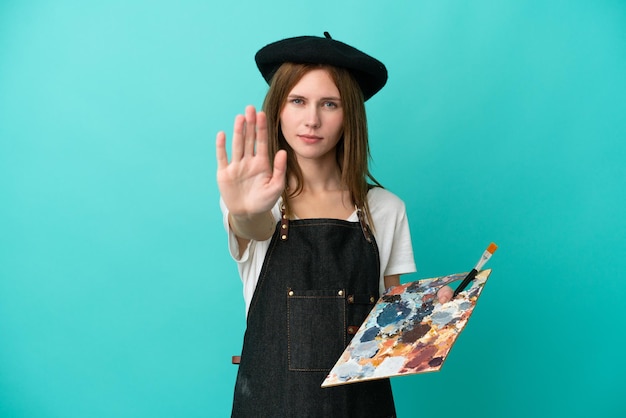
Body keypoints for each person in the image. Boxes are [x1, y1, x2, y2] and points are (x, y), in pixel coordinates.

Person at [216, 32, 453, 418]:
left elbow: (392, 323)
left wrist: (433, 313)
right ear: (278, 109)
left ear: (350, 116)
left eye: (330, 104)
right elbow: (254, 227)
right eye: (298, 101)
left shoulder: (385, 208)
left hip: (361, 407)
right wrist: (243, 210)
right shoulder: (257, 199)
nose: (312, 119)